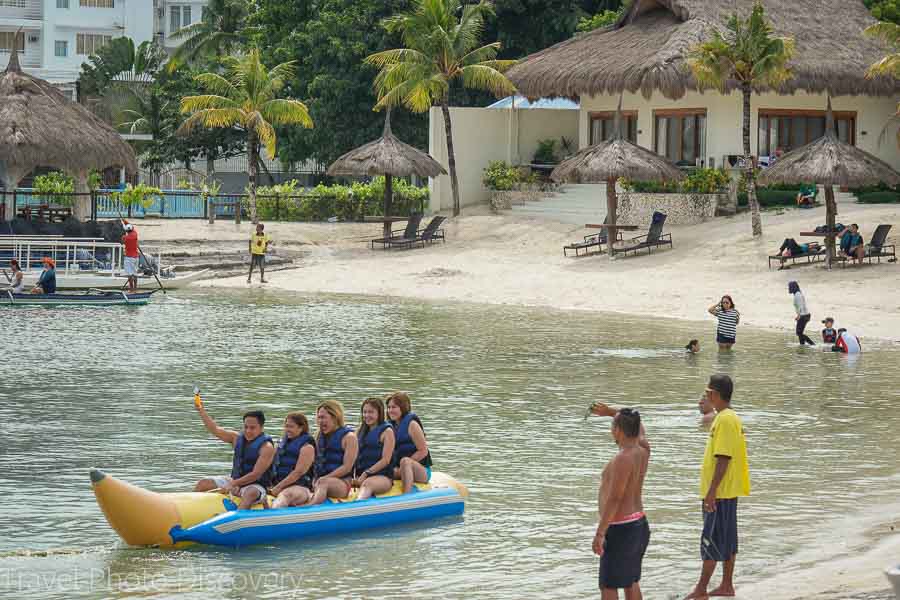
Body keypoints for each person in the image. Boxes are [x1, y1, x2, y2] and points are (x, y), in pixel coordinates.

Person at [684, 375, 751, 600]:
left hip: (720, 493)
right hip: (727, 491)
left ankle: (701, 589)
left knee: (711, 539)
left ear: (714, 394)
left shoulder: (724, 419)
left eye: (708, 392)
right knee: (728, 539)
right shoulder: (730, 418)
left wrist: (711, 492)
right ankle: (726, 585)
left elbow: (723, 457)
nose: (706, 396)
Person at [589, 403, 651, 600]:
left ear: (618, 430)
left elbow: (615, 498)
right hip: (638, 524)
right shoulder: (643, 449)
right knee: (630, 581)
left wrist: (600, 533)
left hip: (621, 528)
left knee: (608, 585)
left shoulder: (623, 458)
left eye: (613, 425)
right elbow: (639, 426)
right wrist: (610, 412)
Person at [193, 405, 276, 510]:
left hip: (255, 486)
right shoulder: (236, 438)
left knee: (251, 493)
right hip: (235, 480)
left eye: (252, 428)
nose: (248, 431)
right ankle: (186, 508)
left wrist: (233, 484)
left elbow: (256, 475)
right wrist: (201, 410)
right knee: (204, 483)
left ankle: (236, 520)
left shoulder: (266, 447)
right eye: (245, 427)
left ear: (261, 427)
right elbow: (215, 429)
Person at [306, 400, 358, 505]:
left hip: (342, 483)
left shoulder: (349, 437)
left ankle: (309, 508)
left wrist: (325, 478)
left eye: (323, 417)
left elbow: (347, 467)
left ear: (335, 417)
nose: (320, 421)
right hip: (319, 480)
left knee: (323, 483)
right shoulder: (319, 435)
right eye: (319, 417)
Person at [386, 391, 433, 493]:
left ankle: (407, 495)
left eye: (394, 407)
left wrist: (403, 467)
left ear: (403, 407)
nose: (390, 410)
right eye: (388, 407)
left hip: (421, 470)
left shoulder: (412, 424)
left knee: (405, 461)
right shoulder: (389, 426)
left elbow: (423, 451)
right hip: (399, 469)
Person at [270, 412, 317, 508]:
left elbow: (298, 473)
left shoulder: (307, 447)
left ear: (301, 428)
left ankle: (274, 515)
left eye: (291, 427)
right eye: (286, 426)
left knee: (286, 495)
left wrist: (278, 487)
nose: (287, 430)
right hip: (277, 484)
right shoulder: (280, 445)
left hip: (300, 488)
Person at [353, 397, 396, 501]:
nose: (367, 415)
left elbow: (386, 460)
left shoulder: (387, 432)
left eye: (371, 412)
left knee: (367, 484)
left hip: (382, 477)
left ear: (379, 413)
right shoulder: (360, 431)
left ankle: (357, 507)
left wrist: (366, 473)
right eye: (364, 412)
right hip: (360, 475)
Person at [789, 281, 815, 346]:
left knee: (798, 333)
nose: (788, 288)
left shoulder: (798, 295)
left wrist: (799, 316)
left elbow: (801, 306)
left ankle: (813, 344)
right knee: (800, 333)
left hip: (804, 315)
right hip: (804, 315)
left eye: (789, 287)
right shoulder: (797, 294)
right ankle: (802, 345)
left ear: (793, 287)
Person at [121, 222, 139, 293]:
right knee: (135, 273)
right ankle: (135, 288)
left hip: (129, 258)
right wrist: (124, 221)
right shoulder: (135, 234)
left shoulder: (125, 237)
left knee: (129, 274)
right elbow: (131, 226)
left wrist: (123, 236)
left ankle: (131, 289)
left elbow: (122, 242)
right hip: (136, 257)